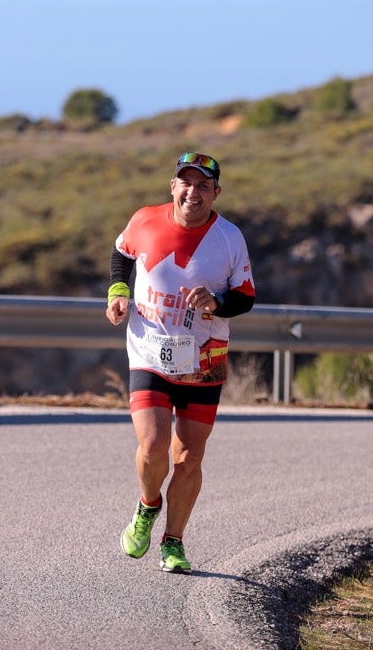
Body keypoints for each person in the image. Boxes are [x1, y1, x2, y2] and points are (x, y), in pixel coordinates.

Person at [105, 151, 256, 573]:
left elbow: (245, 298)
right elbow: (121, 254)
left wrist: (217, 301)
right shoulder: (144, 220)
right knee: (153, 447)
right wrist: (118, 292)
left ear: (216, 193)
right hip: (149, 353)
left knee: (188, 458)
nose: (193, 192)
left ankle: (173, 543)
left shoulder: (229, 238)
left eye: (203, 186)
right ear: (173, 187)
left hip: (204, 360)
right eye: (185, 183)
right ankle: (148, 504)